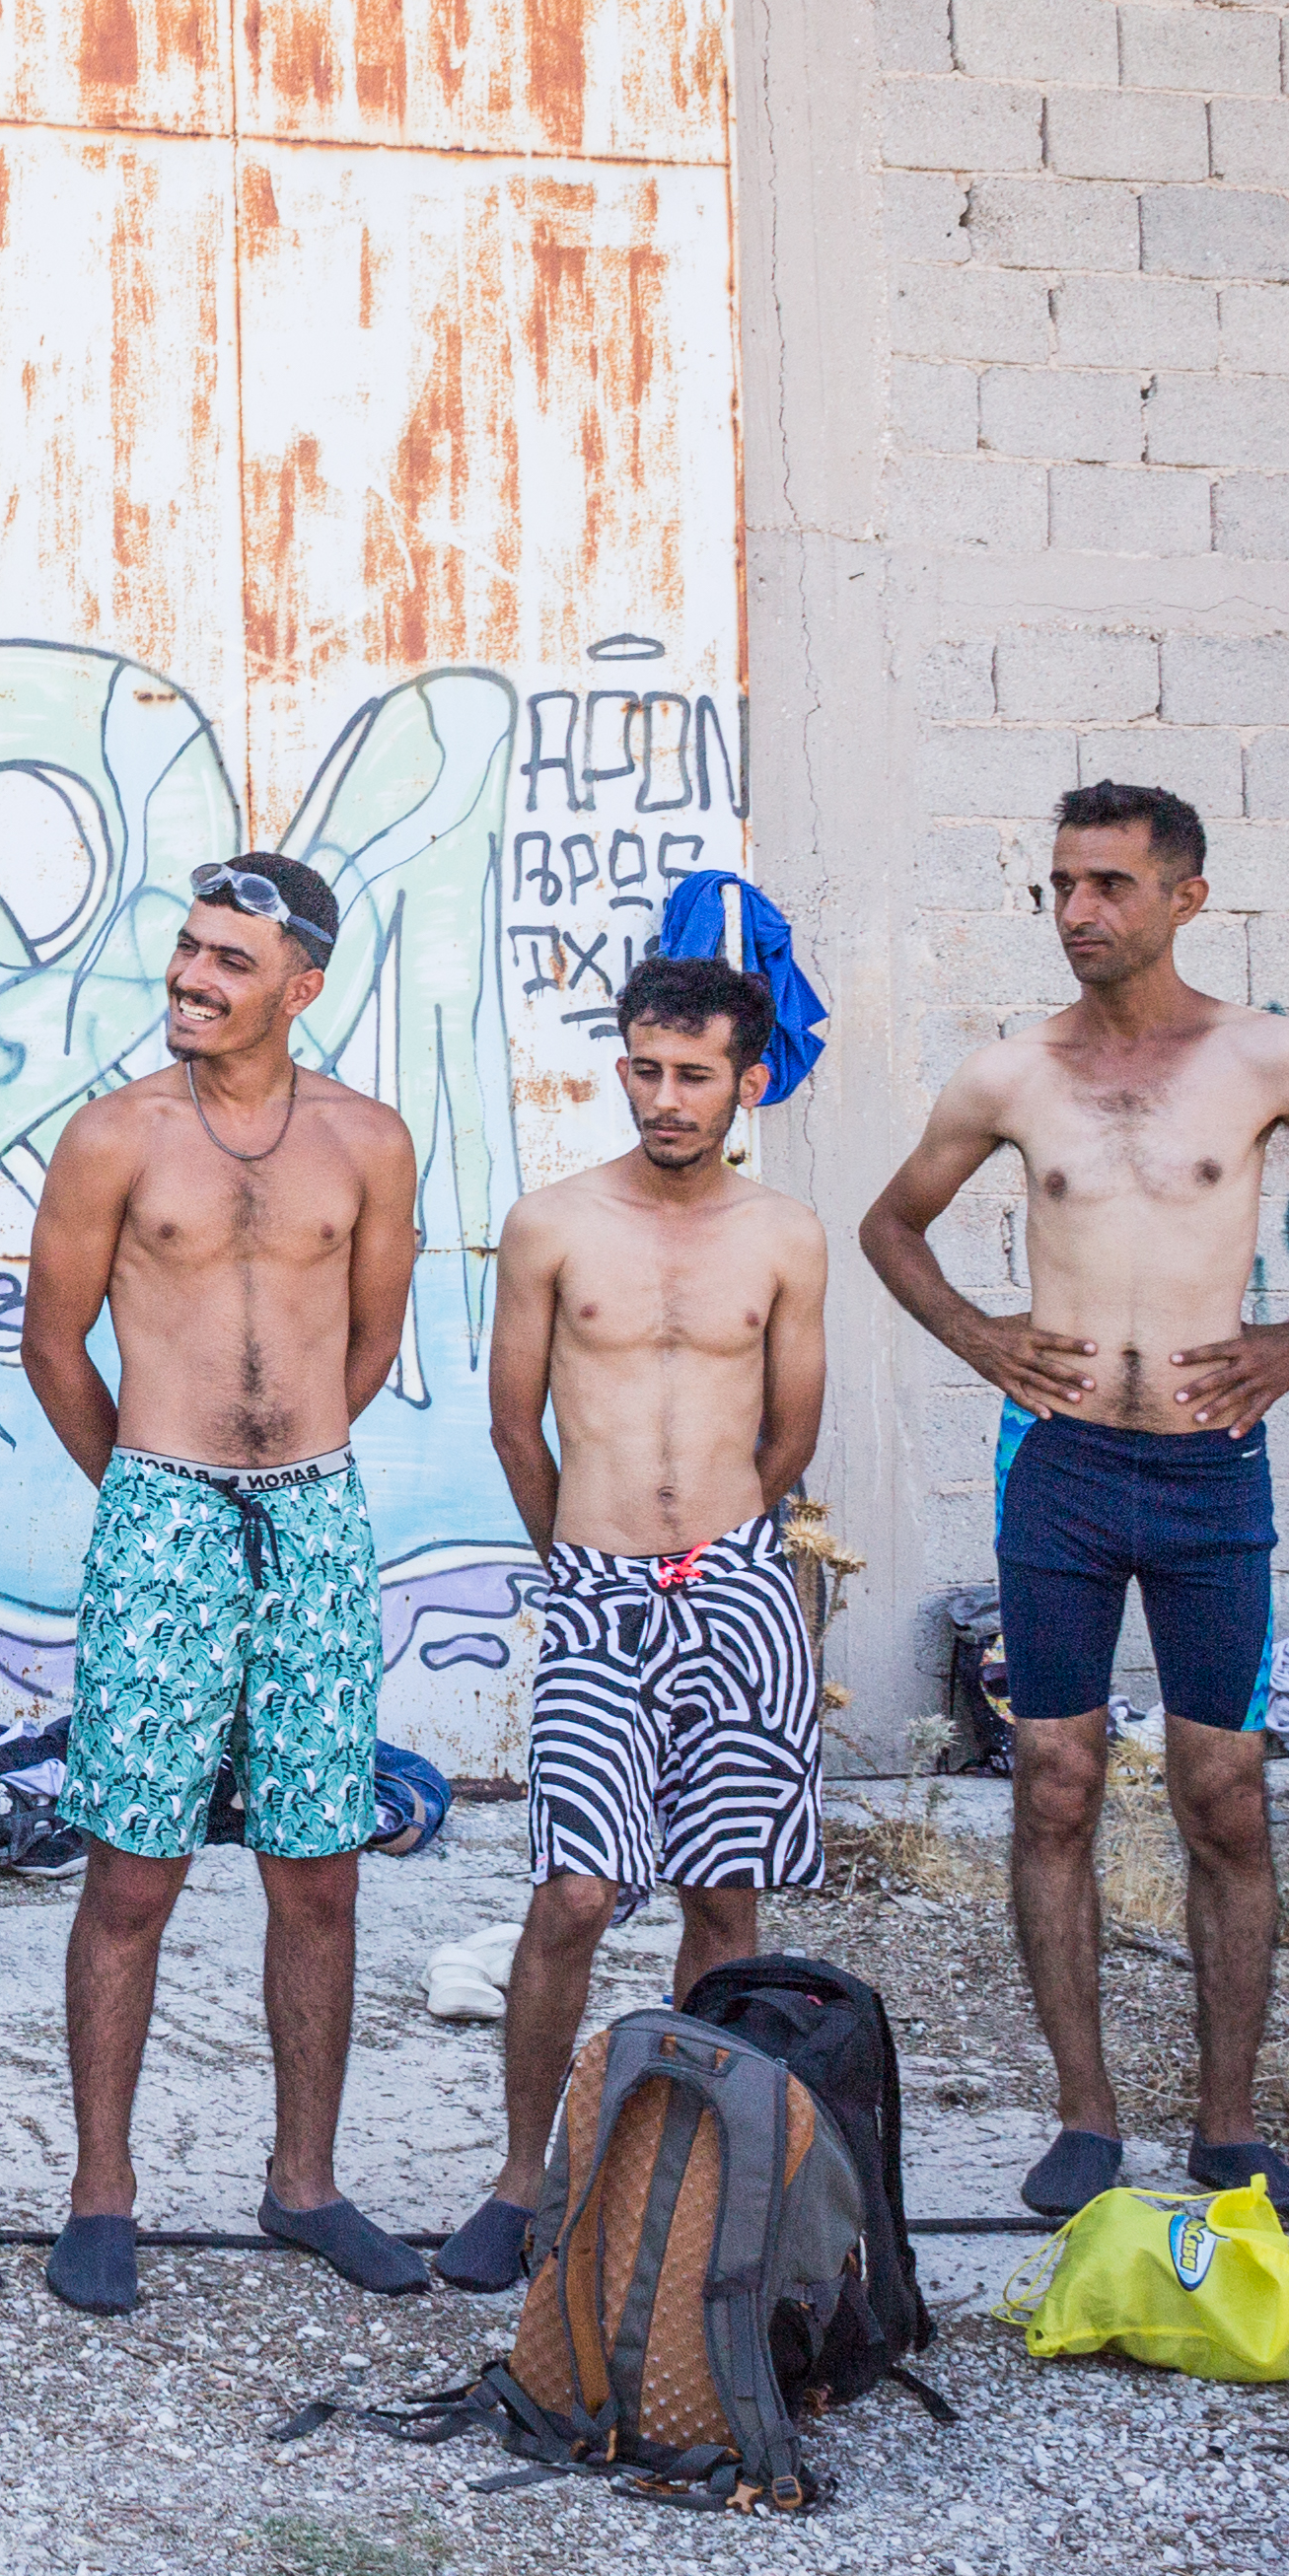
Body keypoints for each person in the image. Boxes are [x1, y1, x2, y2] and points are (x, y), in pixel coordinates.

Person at [859, 782, 1289, 2229]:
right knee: (1054, 1784)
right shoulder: (1011, 1076)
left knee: (1225, 1796)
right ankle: (1084, 2119)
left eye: (1110, 885)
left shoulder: (1262, 1058)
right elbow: (890, 1224)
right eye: (1061, 885)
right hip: (1056, 1471)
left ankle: (1230, 2132)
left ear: (1185, 895)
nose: (1079, 913)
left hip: (1204, 1472)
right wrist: (982, 1338)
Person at [16, 850, 430, 2303]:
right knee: (134, 1871)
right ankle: (101, 2197)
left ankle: (304, 2185)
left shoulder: (369, 1142)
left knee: (318, 1871)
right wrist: (147, 1486)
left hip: (314, 1518)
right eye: (187, 951)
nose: (194, 978)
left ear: (301, 987)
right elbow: (52, 1344)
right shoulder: (115, 1136)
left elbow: (372, 1335)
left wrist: (291, 1456)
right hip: (165, 1516)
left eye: (229, 962)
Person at [437, 956, 834, 2293]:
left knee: (727, 1892)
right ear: (623, 1068)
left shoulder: (784, 1234)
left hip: (735, 1586)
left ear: (747, 1082)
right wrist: (585, 1553)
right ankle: (521, 2174)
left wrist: (716, 1537)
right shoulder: (551, 1223)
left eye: (694, 1077)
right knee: (578, 1893)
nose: (667, 1100)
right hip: (598, 1590)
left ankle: (705, 2178)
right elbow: (513, 1418)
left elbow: (791, 1429)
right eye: (647, 1071)